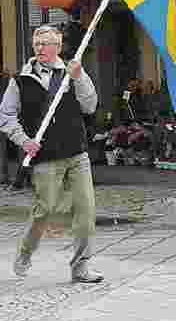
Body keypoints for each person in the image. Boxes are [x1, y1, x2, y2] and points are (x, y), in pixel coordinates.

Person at [3, 25, 102, 282]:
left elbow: (90, 105)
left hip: (76, 153)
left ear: (58, 47)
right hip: (45, 158)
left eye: (46, 43)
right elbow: (6, 115)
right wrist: (23, 141)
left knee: (85, 210)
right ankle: (25, 252)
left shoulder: (71, 72)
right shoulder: (21, 80)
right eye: (37, 43)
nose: (40, 48)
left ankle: (80, 267)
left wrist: (79, 77)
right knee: (44, 210)